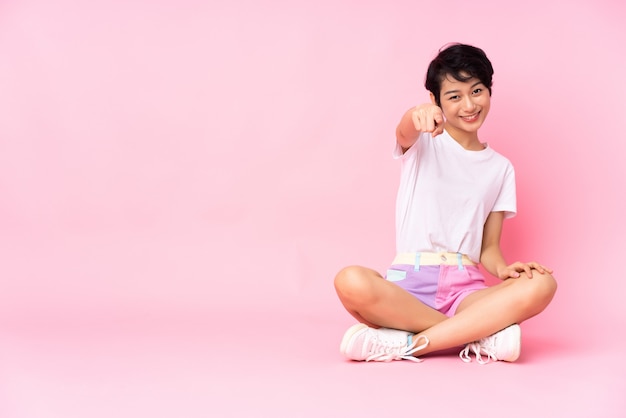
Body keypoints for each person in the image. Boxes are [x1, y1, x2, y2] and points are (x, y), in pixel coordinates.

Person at [334, 43, 557, 364]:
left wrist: (505, 269)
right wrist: (416, 115)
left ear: (489, 91)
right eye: (454, 96)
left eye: (477, 91)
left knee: (542, 284)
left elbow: (488, 249)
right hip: (408, 287)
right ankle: (478, 336)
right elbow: (405, 129)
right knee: (350, 280)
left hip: (466, 293)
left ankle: (406, 345)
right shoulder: (424, 140)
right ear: (435, 101)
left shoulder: (501, 168)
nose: (469, 104)